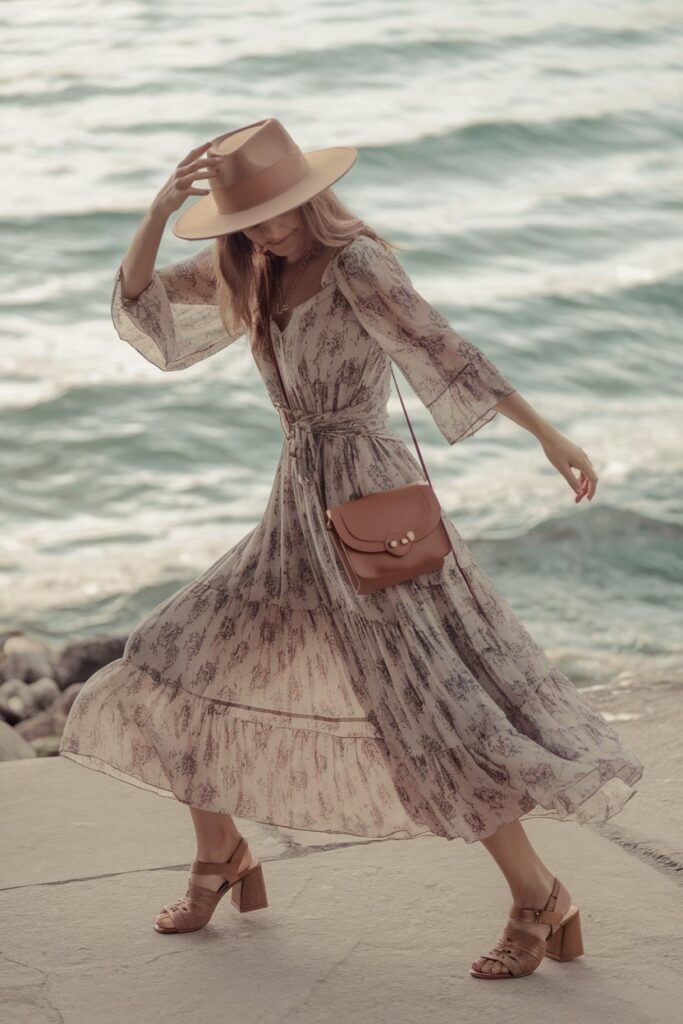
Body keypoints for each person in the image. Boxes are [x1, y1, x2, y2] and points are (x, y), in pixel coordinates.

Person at [59, 119, 644, 979]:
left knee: (431, 706)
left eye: (279, 209)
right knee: (170, 662)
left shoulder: (356, 263)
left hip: (364, 504)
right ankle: (221, 857)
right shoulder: (251, 267)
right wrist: (154, 213)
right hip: (291, 513)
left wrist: (548, 437)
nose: (266, 227)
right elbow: (145, 309)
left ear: (311, 195)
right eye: (247, 216)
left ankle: (538, 898)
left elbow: (442, 350)